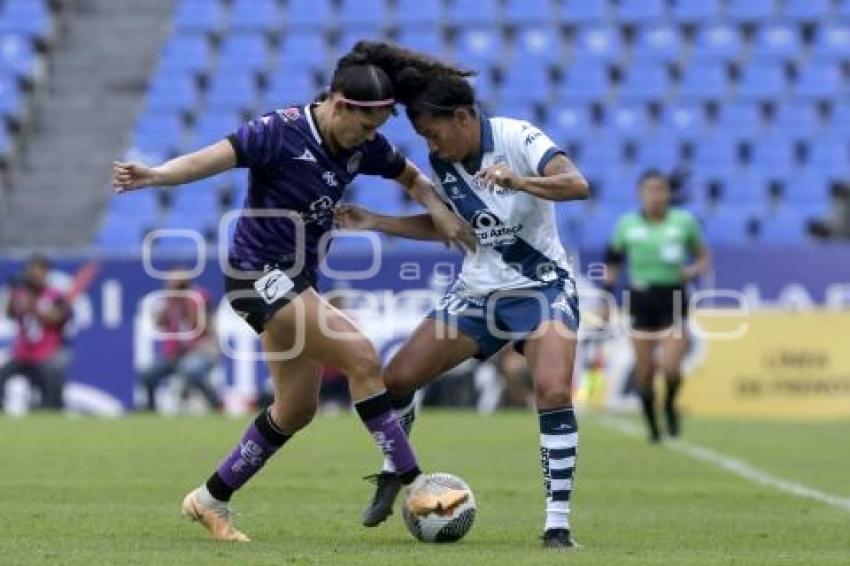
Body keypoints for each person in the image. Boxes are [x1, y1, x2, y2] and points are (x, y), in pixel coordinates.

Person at [112, 43, 475, 542]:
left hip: (299, 279)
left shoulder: (362, 144)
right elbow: (212, 159)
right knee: (362, 357)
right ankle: (415, 484)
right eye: (366, 127)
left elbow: (411, 176)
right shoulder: (278, 131)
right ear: (340, 105)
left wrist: (437, 210)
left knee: (296, 408)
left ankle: (209, 499)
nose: (369, 140)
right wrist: (157, 175)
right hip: (255, 275)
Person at [335, 58, 589, 549]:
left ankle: (557, 525)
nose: (431, 147)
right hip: (476, 293)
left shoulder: (519, 138)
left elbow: (576, 185)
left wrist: (520, 181)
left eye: (435, 134)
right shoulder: (444, 163)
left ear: (464, 118)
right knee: (395, 381)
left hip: (541, 287)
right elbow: (454, 229)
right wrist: (377, 222)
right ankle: (395, 470)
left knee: (554, 390)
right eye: (425, 138)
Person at [602, 170, 711, 443]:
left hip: (672, 297)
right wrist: (606, 298)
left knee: (672, 367)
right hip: (640, 298)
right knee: (645, 371)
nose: (655, 195)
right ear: (640, 194)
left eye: (660, 189)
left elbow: (702, 257)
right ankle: (652, 425)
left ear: (668, 193)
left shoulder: (683, 222)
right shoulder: (627, 224)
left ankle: (670, 406)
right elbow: (613, 262)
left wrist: (693, 269)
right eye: (649, 190)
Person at [138, 268, 222, 413]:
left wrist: (185, 303)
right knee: (148, 373)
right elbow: (158, 323)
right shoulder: (169, 302)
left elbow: (203, 327)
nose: (176, 290)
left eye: (179, 286)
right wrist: (169, 302)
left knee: (191, 370)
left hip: (202, 351)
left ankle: (215, 404)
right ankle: (150, 410)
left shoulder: (198, 298)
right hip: (177, 355)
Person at [0, 255, 71, 411]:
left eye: (39, 270)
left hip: (46, 353)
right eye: (32, 270)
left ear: (46, 273)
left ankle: (51, 412)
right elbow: (10, 314)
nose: (35, 274)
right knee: (2, 374)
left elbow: (59, 318)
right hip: (22, 353)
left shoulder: (55, 295)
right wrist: (13, 297)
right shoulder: (20, 293)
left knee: (53, 376)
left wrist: (34, 306)